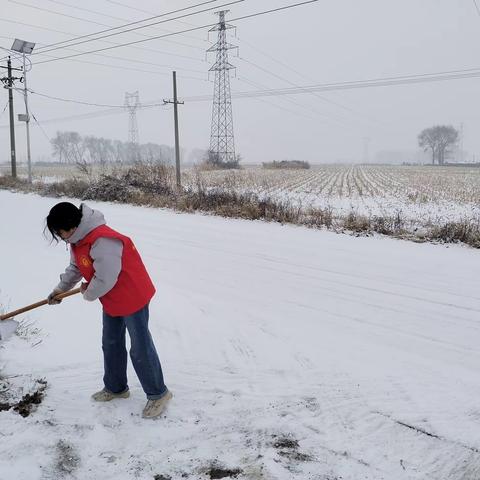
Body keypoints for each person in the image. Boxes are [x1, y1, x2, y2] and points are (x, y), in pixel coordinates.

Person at [45, 201, 172, 419]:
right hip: (111, 296)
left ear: (71, 226)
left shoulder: (102, 240)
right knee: (111, 342)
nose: (61, 236)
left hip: (132, 294)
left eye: (60, 232)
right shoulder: (78, 240)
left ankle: (159, 394)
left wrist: (87, 293)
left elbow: (105, 277)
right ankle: (116, 388)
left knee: (140, 347)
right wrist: (60, 290)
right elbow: (77, 267)